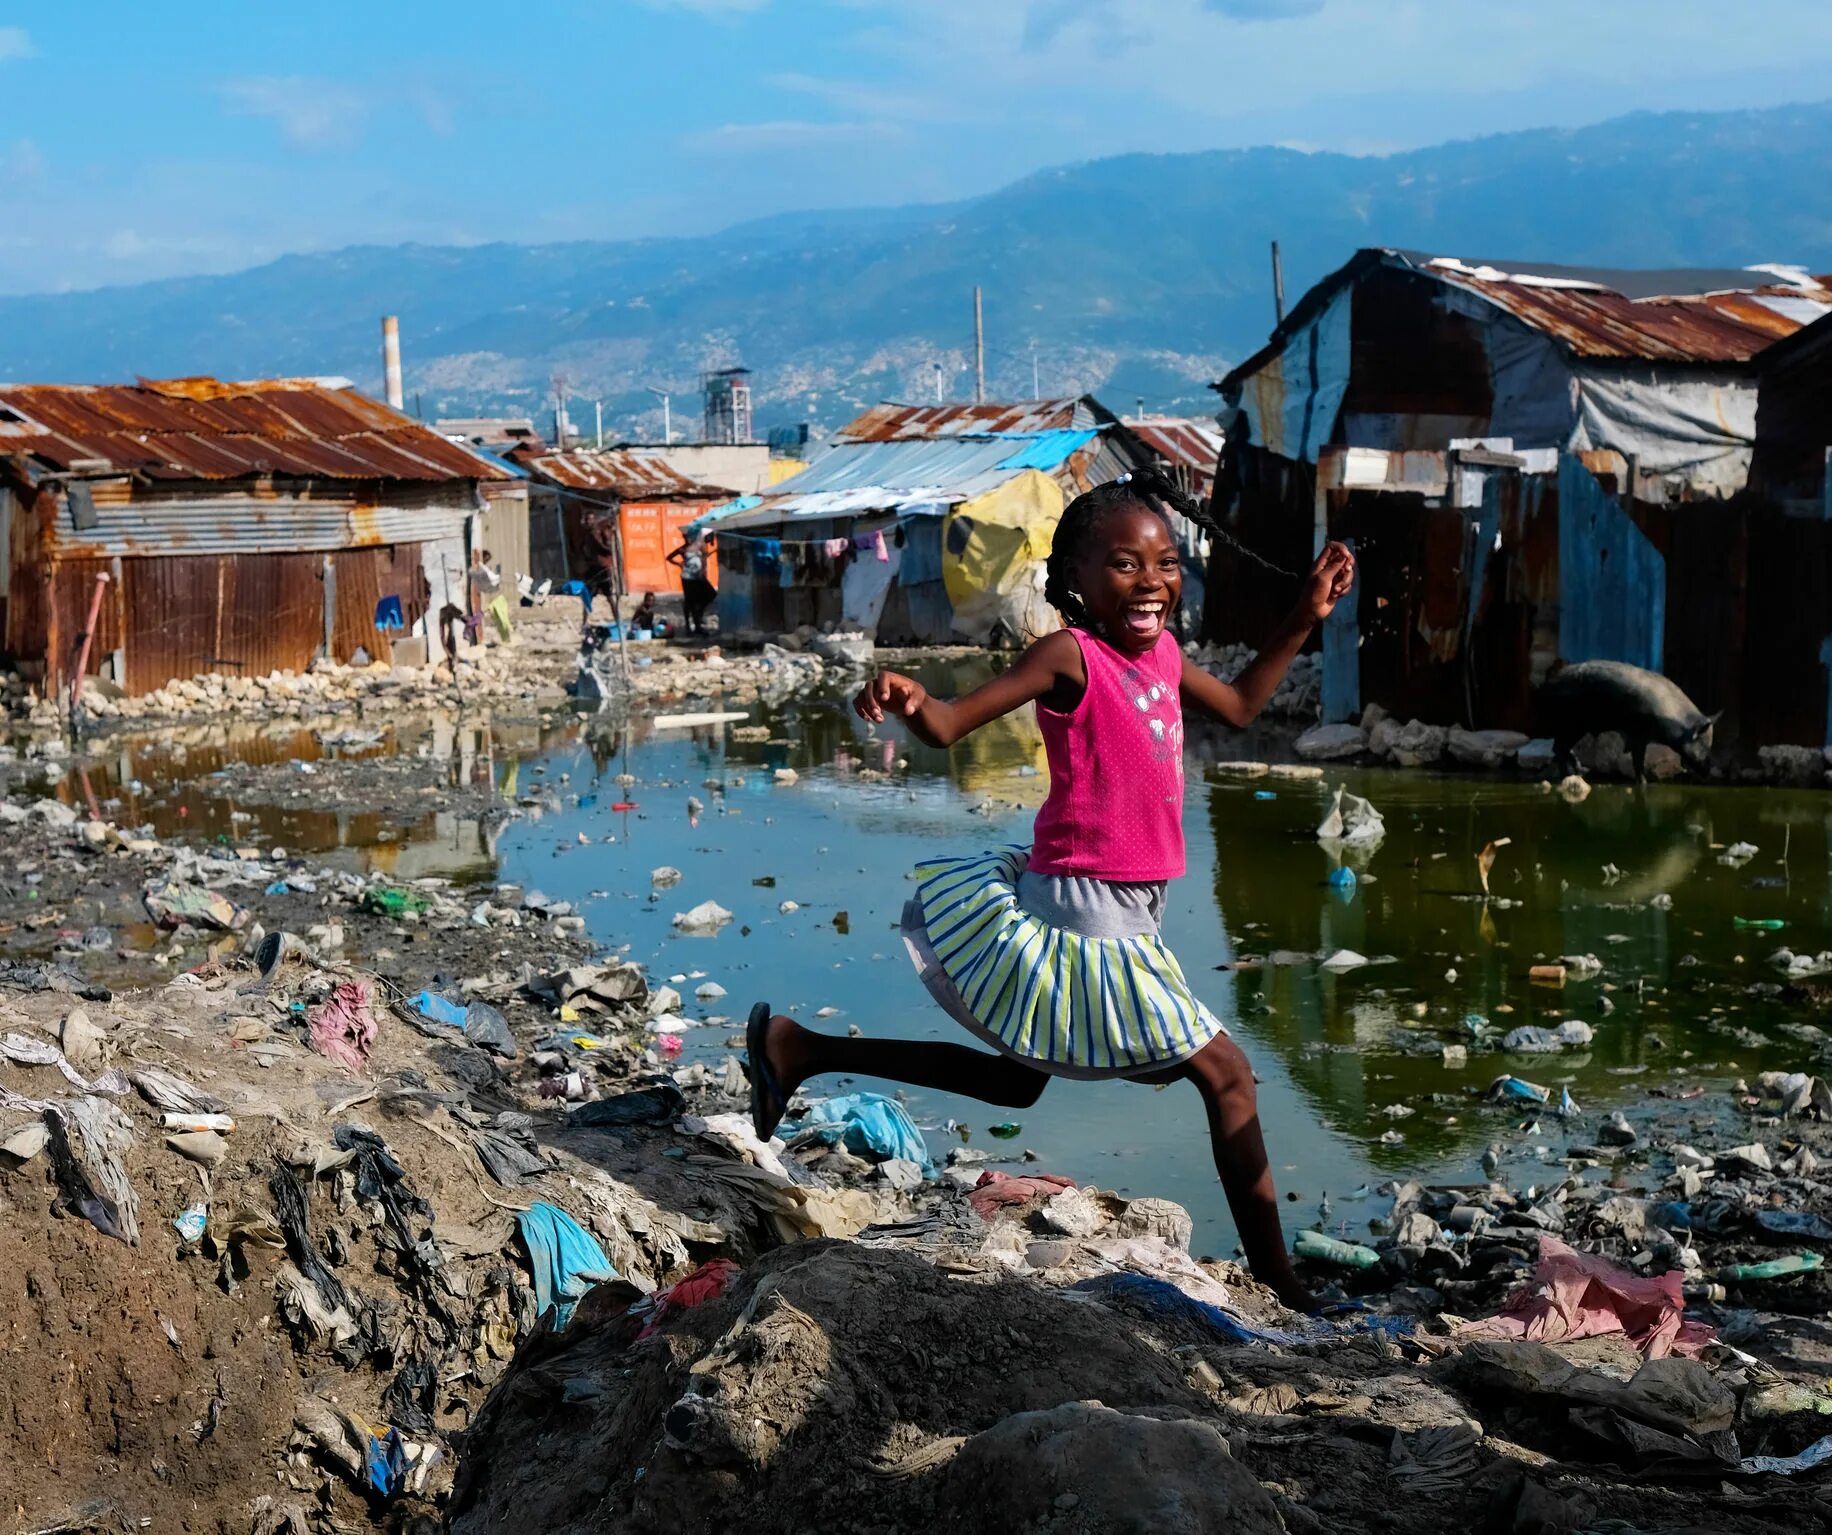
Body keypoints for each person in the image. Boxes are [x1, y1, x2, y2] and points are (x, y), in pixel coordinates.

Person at [744, 470, 1355, 1310]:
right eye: (1126, 565)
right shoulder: (1071, 656)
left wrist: (1305, 616)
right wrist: (912, 697)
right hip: (1080, 903)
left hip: (1132, 907)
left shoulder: (1167, 657)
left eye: (1167, 564)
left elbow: (1246, 705)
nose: (1152, 583)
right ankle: (1283, 1283)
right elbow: (954, 723)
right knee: (1229, 1074)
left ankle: (800, 1048)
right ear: (1076, 583)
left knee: (1017, 1080)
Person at [667, 528, 717, 637]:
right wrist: (679, 564)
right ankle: (693, 627)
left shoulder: (700, 546)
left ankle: (698, 618)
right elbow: (669, 558)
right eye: (685, 537)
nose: (688, 539)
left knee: (711, 595)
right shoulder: (682, 550)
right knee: (691, 602)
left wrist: (702, 571)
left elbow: (704, 559)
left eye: (689, 537)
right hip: (687, 578)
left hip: (699, 577)